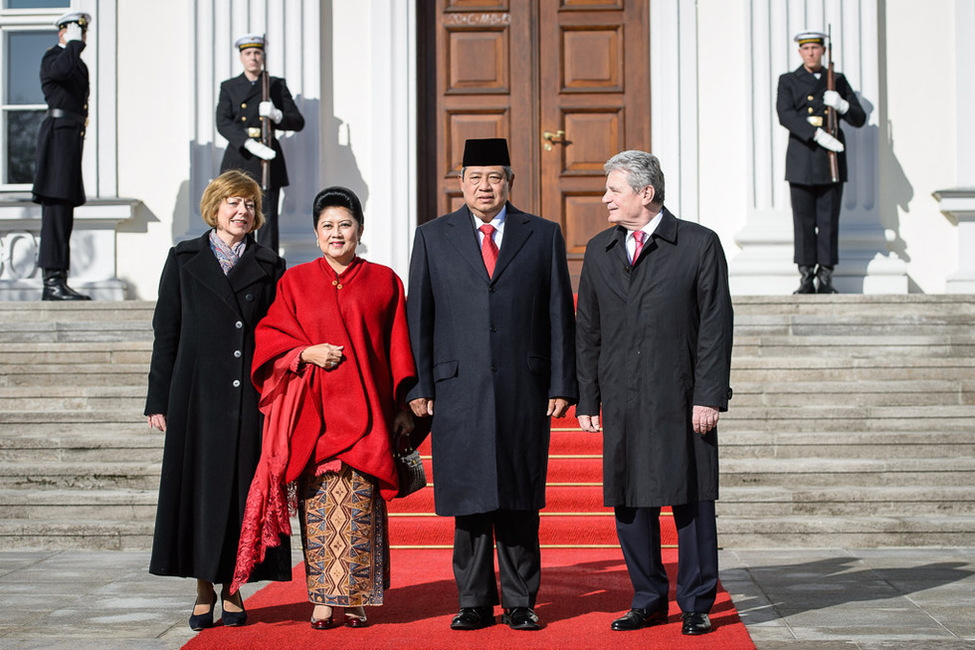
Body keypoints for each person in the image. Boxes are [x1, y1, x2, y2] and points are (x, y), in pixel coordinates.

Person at [406, 138, 577, 632]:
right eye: (476, 177)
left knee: (520, 499)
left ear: (509, 182)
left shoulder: (541, 235)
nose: (485, 186)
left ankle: (521, 600)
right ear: (460, 182)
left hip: (526, 387)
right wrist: (420, 385)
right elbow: (421, 316)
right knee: (471, 502)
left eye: (495, 177)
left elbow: (558, 313)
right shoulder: (432, 237)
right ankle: (475, 601)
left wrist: (562, 382)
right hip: (458, 389)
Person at [231, 186, 419, 630]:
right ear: (316, 235)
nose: (337, 234)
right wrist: (304, 354)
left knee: (359, 511)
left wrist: (403, 407)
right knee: (317, 513)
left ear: (360, 230)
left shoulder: (384, 280)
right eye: (328, 227)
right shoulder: (294, 282)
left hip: (368, 414)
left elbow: (398, 346)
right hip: (313, 419)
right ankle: (320, 598)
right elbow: (270, 339)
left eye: (345, 225)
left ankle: (354, 599)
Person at [575, 151, 733, 636]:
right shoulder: (600, 250)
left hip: (682, 398)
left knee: (691, 502)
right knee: (630, 503)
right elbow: (588, 331)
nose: (604, 199)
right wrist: (587, 398)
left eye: (614, 190)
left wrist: (708, 395)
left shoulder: (698, 244)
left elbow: (715, 326)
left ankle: (696, 602)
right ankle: (647, 598)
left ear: (645, 194)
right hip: (622, 398)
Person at [145, 170, 291, 631]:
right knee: (199, 494)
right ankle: (203, 589)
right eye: (233, 202)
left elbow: (278, 333)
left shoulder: (270, 263)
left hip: (249, 399)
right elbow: (165, 333)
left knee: (241, 494)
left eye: (249, 204)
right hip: (195, 398)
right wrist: (157, 400)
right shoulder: (184, 258)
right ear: (215, 207)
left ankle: (234, 587)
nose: (242, 211)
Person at [777, 29, 866, 294]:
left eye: (815, 48)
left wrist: (843, 106)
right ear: (800, 52)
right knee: (803, 221)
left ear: (823, 51)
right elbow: (785, 114)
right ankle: (806, 276)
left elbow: (859, 119)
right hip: (802, 160)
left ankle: (826, 275)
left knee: (828, 221)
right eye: (806, 49)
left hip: (831, 163)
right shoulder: (789, 81)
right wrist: (816, 134)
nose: (811, 53)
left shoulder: (836, 80)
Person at [216, 34, 305, 253]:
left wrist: (277, 115)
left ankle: (267, 268)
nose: (253, 58)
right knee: (237, 213)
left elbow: (297, 121)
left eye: (257, 53)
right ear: (241, 57)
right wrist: (247, 142)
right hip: (240, 156)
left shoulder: (275, 85)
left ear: (262, 56)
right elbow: (223, 122)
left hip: (268, 156)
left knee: (266, 218)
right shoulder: (229, 87)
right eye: (248, 53)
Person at [31, 11, 93, 300]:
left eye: (82, 33)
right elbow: (60, 73)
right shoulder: (53, 58)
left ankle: (60, 278)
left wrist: (73, 49)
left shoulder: (75, 63)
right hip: (58, 138)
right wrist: (71, 45)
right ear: (62, 33)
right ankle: (52, 280)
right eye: (74, 31)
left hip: (71, 139)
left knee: (64, 212)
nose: (81, 38)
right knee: (55, 211)